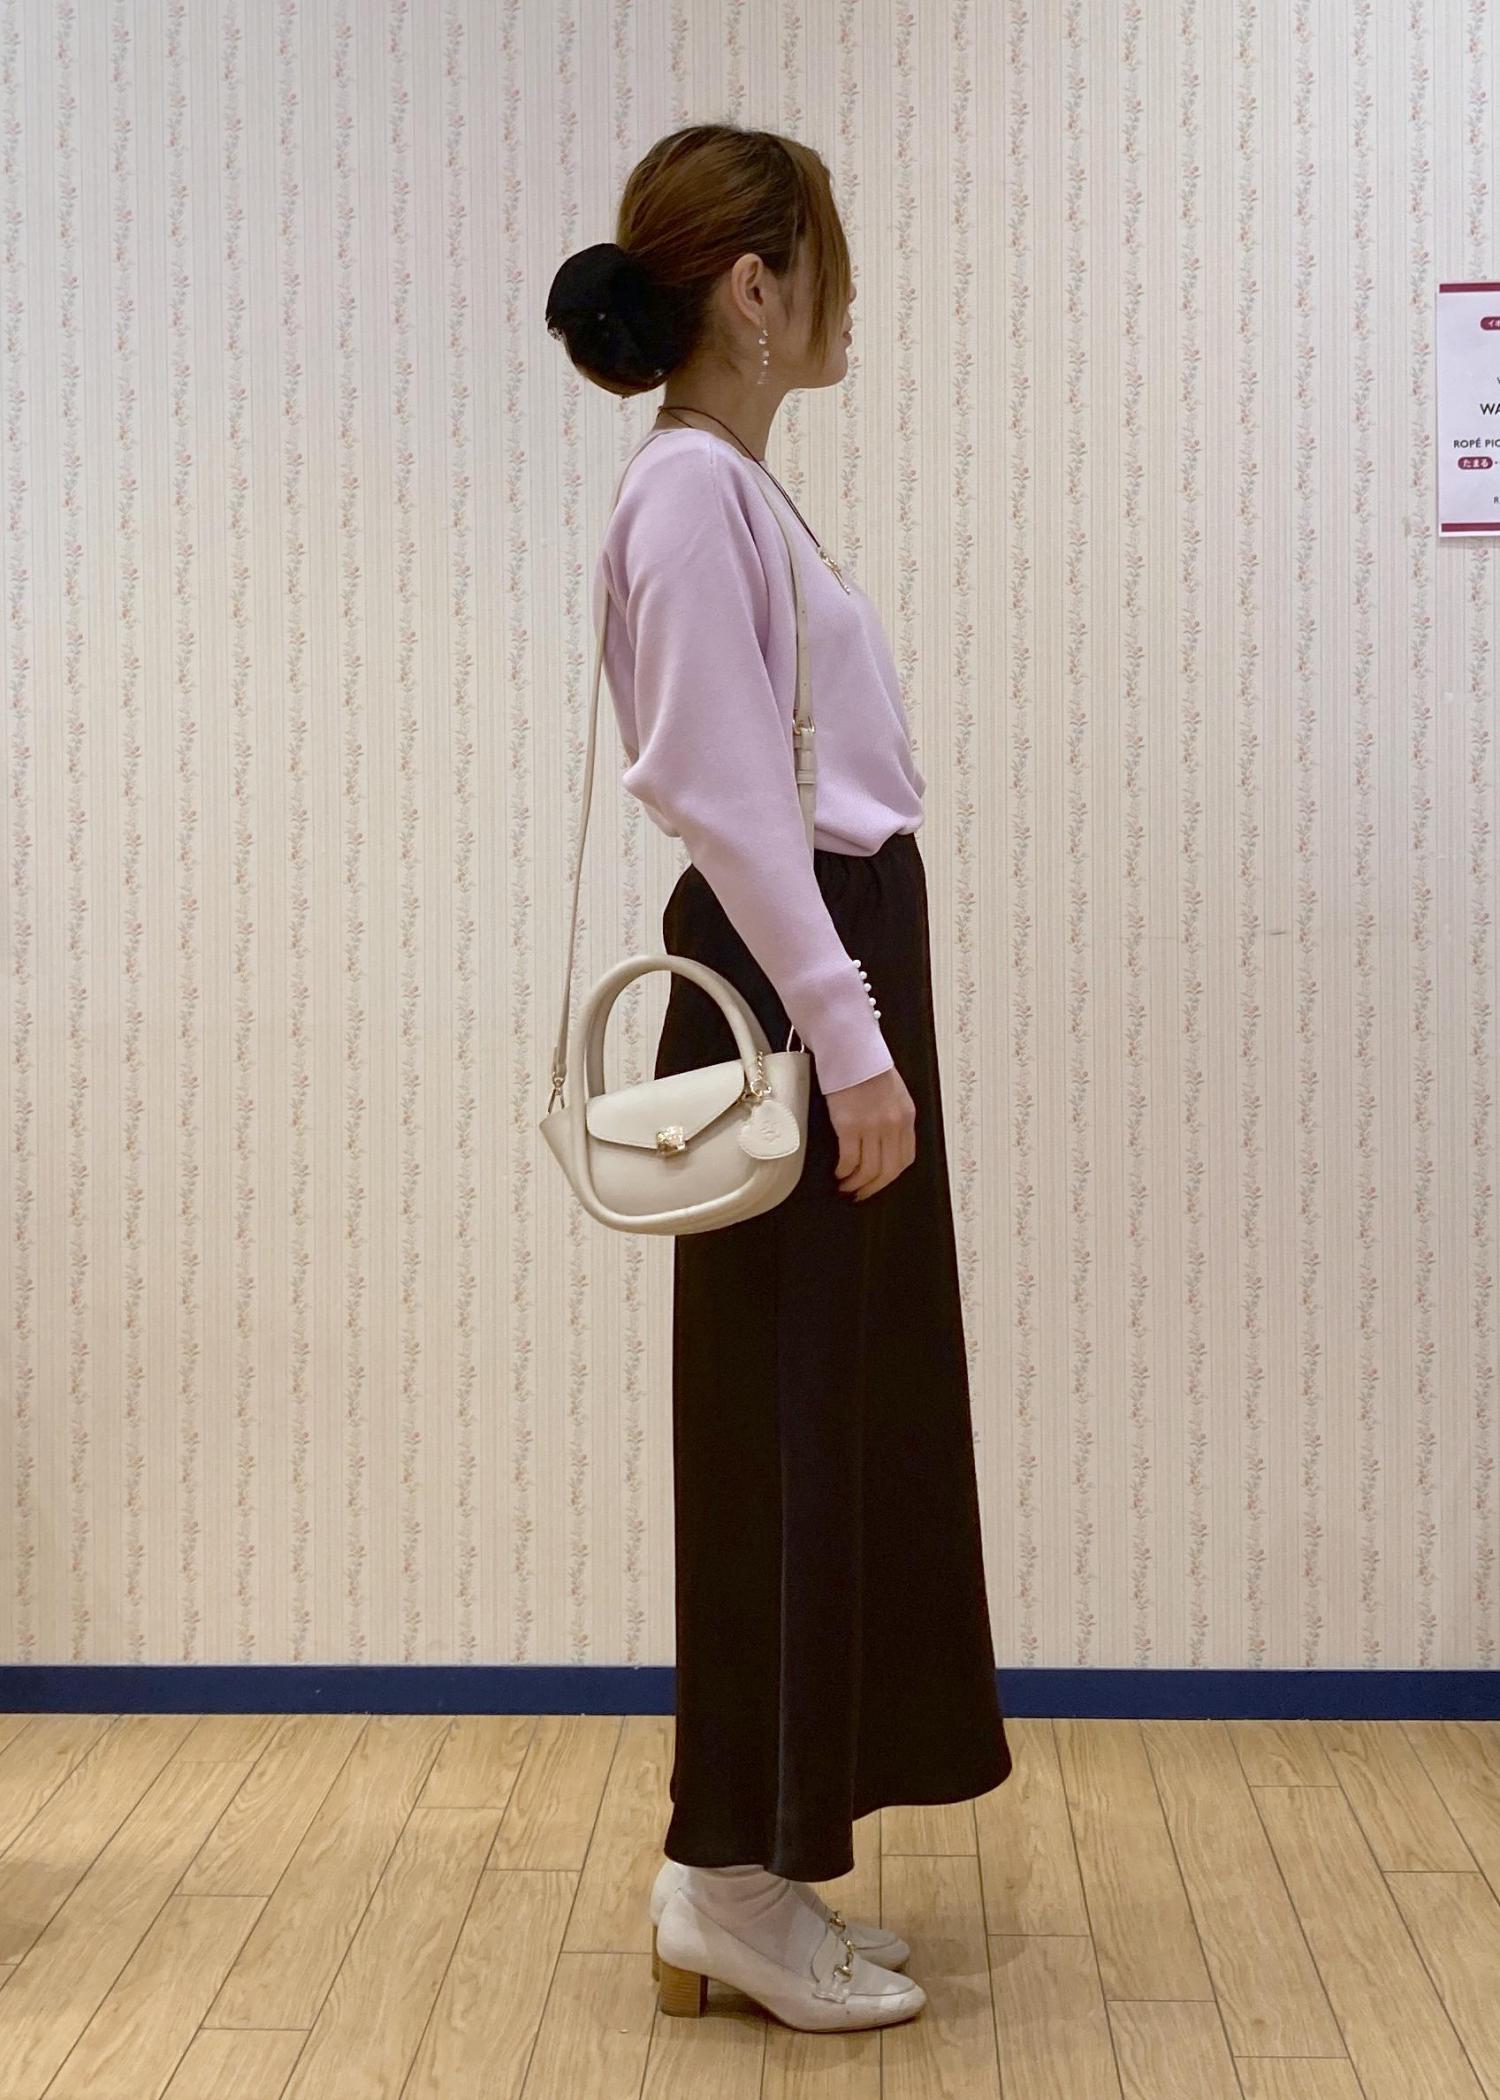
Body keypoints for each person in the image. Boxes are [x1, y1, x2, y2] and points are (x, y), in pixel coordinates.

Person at [546, 121, 1012, 2035]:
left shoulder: (731, 488)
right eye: (830, 261)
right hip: (796, 970)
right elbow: (734, 805)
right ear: (757, 286)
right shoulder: (687, 496)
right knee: (781, 1434)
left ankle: (754, 1866)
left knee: (833, 1422)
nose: (851, 297)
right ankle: (725, 1879)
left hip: (826, 955)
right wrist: (852, 1039)